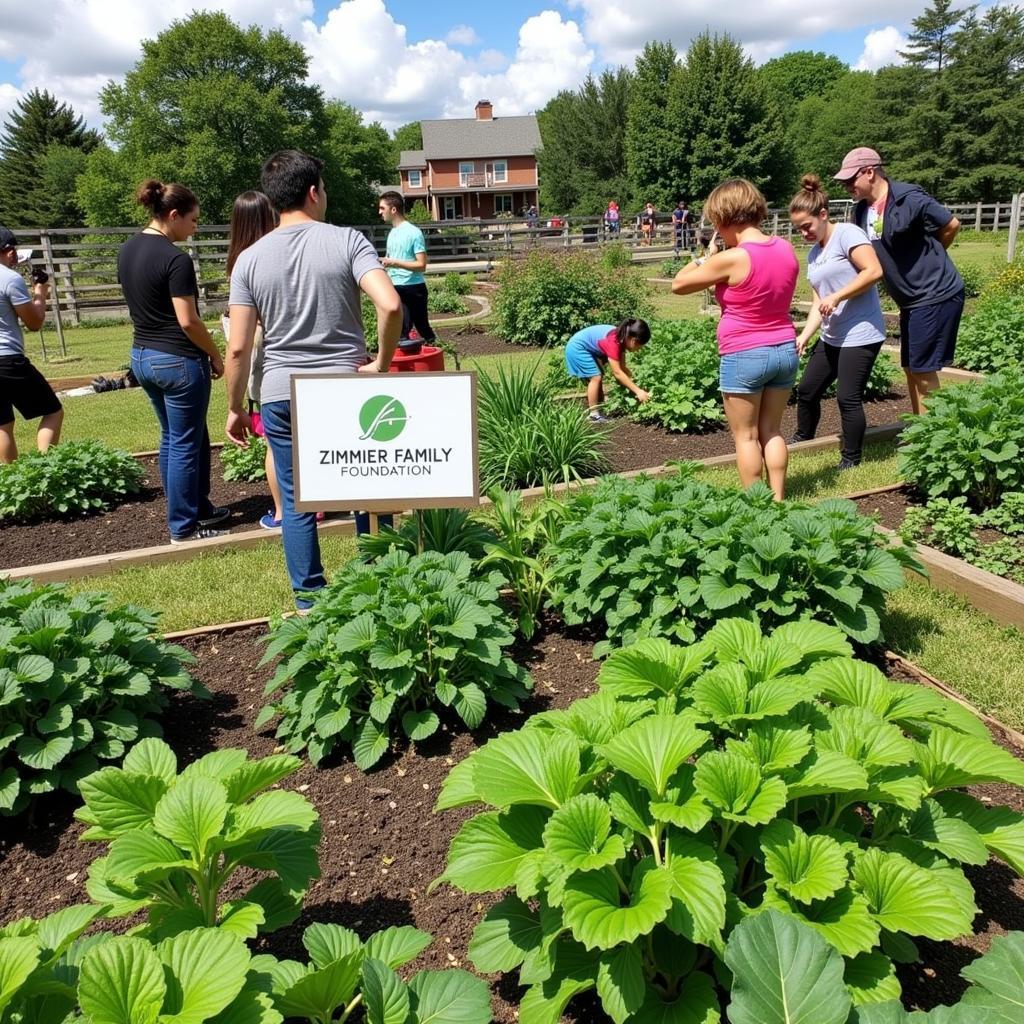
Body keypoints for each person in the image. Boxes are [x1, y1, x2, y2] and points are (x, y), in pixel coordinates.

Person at [226, 150, 402, 611]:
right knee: (365, 488)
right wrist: (380, 365)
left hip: (282, 392)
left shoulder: (248, 260)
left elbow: (240, 348)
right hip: (344, 387)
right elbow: (390, 306)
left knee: (296, 497)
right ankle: (376, 586)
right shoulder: (348, 241)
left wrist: (235, 408)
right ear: (313, 192)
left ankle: (309, 600)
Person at [671, 178, 799, 500]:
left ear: (723, 218)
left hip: (745, 354)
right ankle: (779, 499)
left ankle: (757, 507)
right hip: (785, 349)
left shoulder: (734, 258)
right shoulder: (785, 249)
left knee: (746, 437)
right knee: (772, 431)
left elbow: (679, 283)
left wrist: (707, 255)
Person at [118, 180, 228, 543]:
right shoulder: (175, 259)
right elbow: (188, 320)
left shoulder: (128, 249)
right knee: (183, 441)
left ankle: (197, 508)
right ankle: (183, 526)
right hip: (178, 361)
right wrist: (214, 352)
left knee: (175, 437)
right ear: (174, 215)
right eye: (193, 220)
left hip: (142, 357)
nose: (195, 228)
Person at [833, 146, 964, 415]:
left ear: (869, 172)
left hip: (934, 293)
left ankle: (936, 437)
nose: (846, 186)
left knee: (923, 371)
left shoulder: (909, 198)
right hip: (909, 300)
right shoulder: (861, 212)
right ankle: (919, 429)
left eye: (850, 180)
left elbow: (951, 224)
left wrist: (931, 259)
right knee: (910, 367)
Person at [788, 175, 887, 470]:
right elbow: (820, 301)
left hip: (861, 332)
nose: (804, 233)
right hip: (833, 335)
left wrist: (839, 296)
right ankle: (804, 439)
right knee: (807, 390)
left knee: (847, 397)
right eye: (798, 229)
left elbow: (873, 271)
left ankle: (851, 458)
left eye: (807, 226)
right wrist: (805, 335)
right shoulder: (814, 253)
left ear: (822, 214)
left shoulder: (847, 234)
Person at [222, 190, 289, 530]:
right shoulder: (276, 254)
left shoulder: (238, 264)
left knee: (276, 445)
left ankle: (282, 512)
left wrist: (233, 405)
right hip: (287, 357)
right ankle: (318, 505)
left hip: (264, 371)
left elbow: (239, 343)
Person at [0, 227, 63, 463]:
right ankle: (44, 470)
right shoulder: (9, 278)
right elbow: (34, 322)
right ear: (8, 251)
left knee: (3, 424)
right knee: (52, 411)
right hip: (8, 359)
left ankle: (10, 482)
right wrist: (40, 293)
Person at [378, 190, 436, 350]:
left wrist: (395, 262)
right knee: (401, 333)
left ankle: (439, 353)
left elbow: (421, 265)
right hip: (396, 287)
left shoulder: (414, 233)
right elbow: (390, 260)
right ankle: (407, 367)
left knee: (423, 328)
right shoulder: (392, 233)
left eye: (382, 208)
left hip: (414, 289)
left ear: (393, 209)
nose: (379, 212)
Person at [564, 319, 651, 423]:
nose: (639, 349)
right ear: (633, 341)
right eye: (640, 346)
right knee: (596, 377)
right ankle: (594, 415)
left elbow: (622, 368)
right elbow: (617, 373)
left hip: (586, 348)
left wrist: (635, 383)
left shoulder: (622, 338)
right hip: (577, 348)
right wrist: (638, 391)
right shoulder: (614, 343)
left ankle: (599, 408)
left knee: (598, 376)